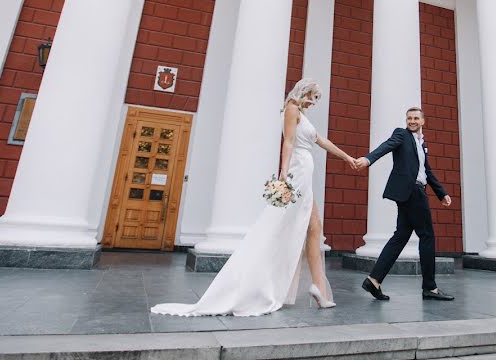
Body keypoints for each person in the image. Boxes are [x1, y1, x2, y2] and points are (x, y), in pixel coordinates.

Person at [151, 78, 356, 316]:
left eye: (316, 99)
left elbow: (321, 141)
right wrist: (283, 174)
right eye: (311, 96)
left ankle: (318, 287)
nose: (313, 102)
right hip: (297, 172)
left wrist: (347, 158)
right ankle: (261, 280)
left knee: (314, 227)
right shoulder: (291, 109)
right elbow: (288, 142)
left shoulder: (302, 114)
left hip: (305, 173)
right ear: (301, 92)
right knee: (280, 226)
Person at [352, 107, 454, 301]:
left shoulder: (421, 144)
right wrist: (368, 159)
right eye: (409, 118)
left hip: (413, 192)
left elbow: (426, 171)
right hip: (413, 192)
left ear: (423, 121)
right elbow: (386, 146)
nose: (412, 121)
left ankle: (373, 280)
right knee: (427, 236)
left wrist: (441, 193)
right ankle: (430, 288)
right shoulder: (402, 134)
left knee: (400, 237)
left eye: (416, 118)